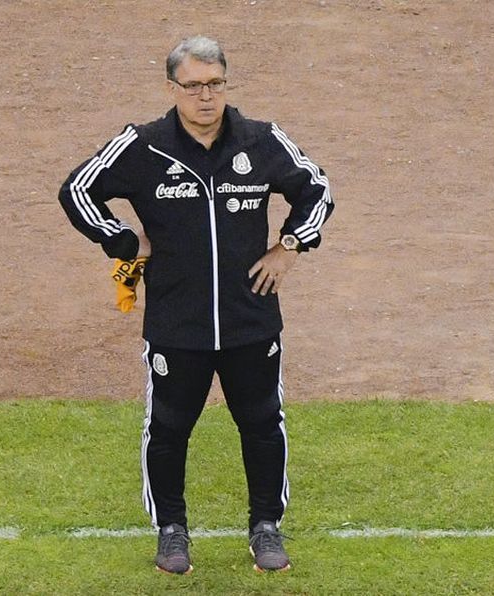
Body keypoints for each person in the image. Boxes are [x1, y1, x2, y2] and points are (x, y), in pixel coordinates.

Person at [58, 35, 333, 574]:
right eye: (194, 86)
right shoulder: (142, 145)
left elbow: (316, 189)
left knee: (261, 422)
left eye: (215, 84)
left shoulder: (261, 139)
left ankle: (265, 527)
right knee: (167, 427)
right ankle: (171, 531)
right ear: (172, 88)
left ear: (225, 85)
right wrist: (120, 240)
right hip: (175, 322)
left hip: (251, 318)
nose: (206, 97)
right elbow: (77, 190)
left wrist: (290, 244)